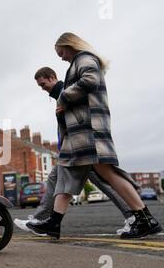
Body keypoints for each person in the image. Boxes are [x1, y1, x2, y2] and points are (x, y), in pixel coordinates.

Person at [26, 33, 162, 239]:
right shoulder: (78, 62)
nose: (61, 57)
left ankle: (145, 218)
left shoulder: (85, 58)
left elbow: (90, 80)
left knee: (107, 174)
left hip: (89, 129)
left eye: (61, 53)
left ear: (69, 45)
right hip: (80, 132)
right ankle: (54, 222)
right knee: (67, 174)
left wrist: (63, 97)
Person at [14, 67, 137, 235]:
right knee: (55, 180)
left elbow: (82, 113)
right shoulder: (60, 95)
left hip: (81, 148)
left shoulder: (66, 91)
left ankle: (134, 216)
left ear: (51, 78)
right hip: (72, 149)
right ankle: (41, 220)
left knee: (105, 183)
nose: (42, 88)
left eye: (43, 84)